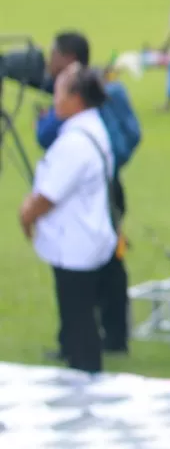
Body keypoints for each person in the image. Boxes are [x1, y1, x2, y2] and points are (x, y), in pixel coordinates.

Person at [31, 31, 142, 356]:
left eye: (54, 54)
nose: (50, 62)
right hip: (107, 185)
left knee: (82, 267)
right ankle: (114, 334)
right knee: (111, 258)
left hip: (83, 189)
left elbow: (47, 135)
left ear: (67, 58)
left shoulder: (77, 94)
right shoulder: (103, 87)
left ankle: (79, 341)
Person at [19, 65, 119, 375]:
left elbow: (48, 195)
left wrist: (26, 215)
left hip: (76, 246)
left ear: (76, 98)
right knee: (81, 320)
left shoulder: (75, 142)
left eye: (59, 92)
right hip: (87, 237)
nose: (54, 100)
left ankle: (85, 382)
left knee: (79, 326)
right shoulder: (92, 127)